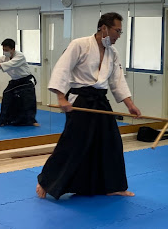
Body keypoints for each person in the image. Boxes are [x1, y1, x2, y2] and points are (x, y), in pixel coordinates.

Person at [36, 12, 141, 199]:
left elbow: (117, 80)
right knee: (73, 143)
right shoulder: (80, 44)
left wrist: (130, 104)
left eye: (120, 32)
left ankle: (113, 185)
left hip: (100, 100)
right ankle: (46, 182)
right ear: (104, 28)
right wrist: (61, 97)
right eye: (117, 31)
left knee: (111, 143)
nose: (118, 35)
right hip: (81, 100)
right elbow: (62, 69)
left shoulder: (112, 52)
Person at [0, 38, 39, 127]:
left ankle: (31, 121)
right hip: (15, 81)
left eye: (6, 50)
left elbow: (11, 64)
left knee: (28, 101)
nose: (4, 52)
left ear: (13, 49)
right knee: (7, 96)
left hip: (25, 81)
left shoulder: (20, 56)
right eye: (3, 50)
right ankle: (5, 120)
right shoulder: (3, 58)